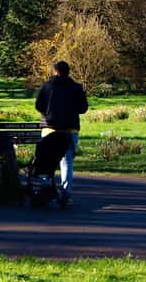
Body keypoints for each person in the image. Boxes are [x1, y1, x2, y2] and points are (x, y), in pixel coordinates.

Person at [34, 60, 88, 205]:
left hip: (49, 128)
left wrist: (49, 113)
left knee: (45, 160)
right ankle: (66, 193)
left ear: (55, 71)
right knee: (67, 163)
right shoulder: (76, 88)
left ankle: (46, 188)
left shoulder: (46, 86)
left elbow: (38, 105)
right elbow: (83, 108)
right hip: (69, 130)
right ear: (68, 72)